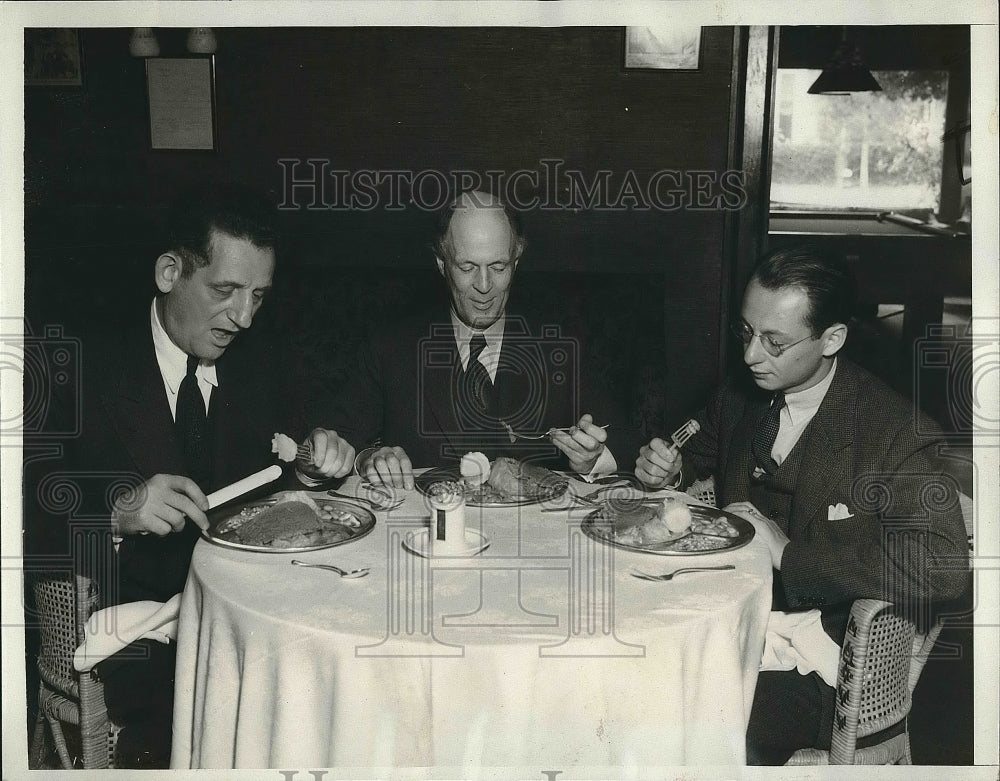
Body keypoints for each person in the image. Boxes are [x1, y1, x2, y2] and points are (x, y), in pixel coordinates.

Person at [49, 183, 355, 767]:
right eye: (225, 291)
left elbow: (291, 471)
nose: (242, 317)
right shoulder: (81, 365)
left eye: (258, 297)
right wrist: (114, 513)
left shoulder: (266, 361)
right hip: (137, 639)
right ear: (169, 272)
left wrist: (319, 467)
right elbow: (19, 513)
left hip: (253, 621)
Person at [634, 245, 968, 765]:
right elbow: (693, 454)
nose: (749, 356)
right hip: (731, 625)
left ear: (832, 337)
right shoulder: (742, 395)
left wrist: (789, 554)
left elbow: (944, 567)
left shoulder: (893, 432)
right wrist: (668, 468)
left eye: (774, 341)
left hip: (824, 668)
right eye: (745, 333)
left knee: (662, 701)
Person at [329, 189, 633, 489]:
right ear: (441, 263)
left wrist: (593, 459)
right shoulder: (389, 347)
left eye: (498, 267)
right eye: (467, 267)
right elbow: (334, 446)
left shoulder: (561, 347)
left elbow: (625, 443)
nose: (484, 286)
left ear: (516, 261)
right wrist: (370, 459)